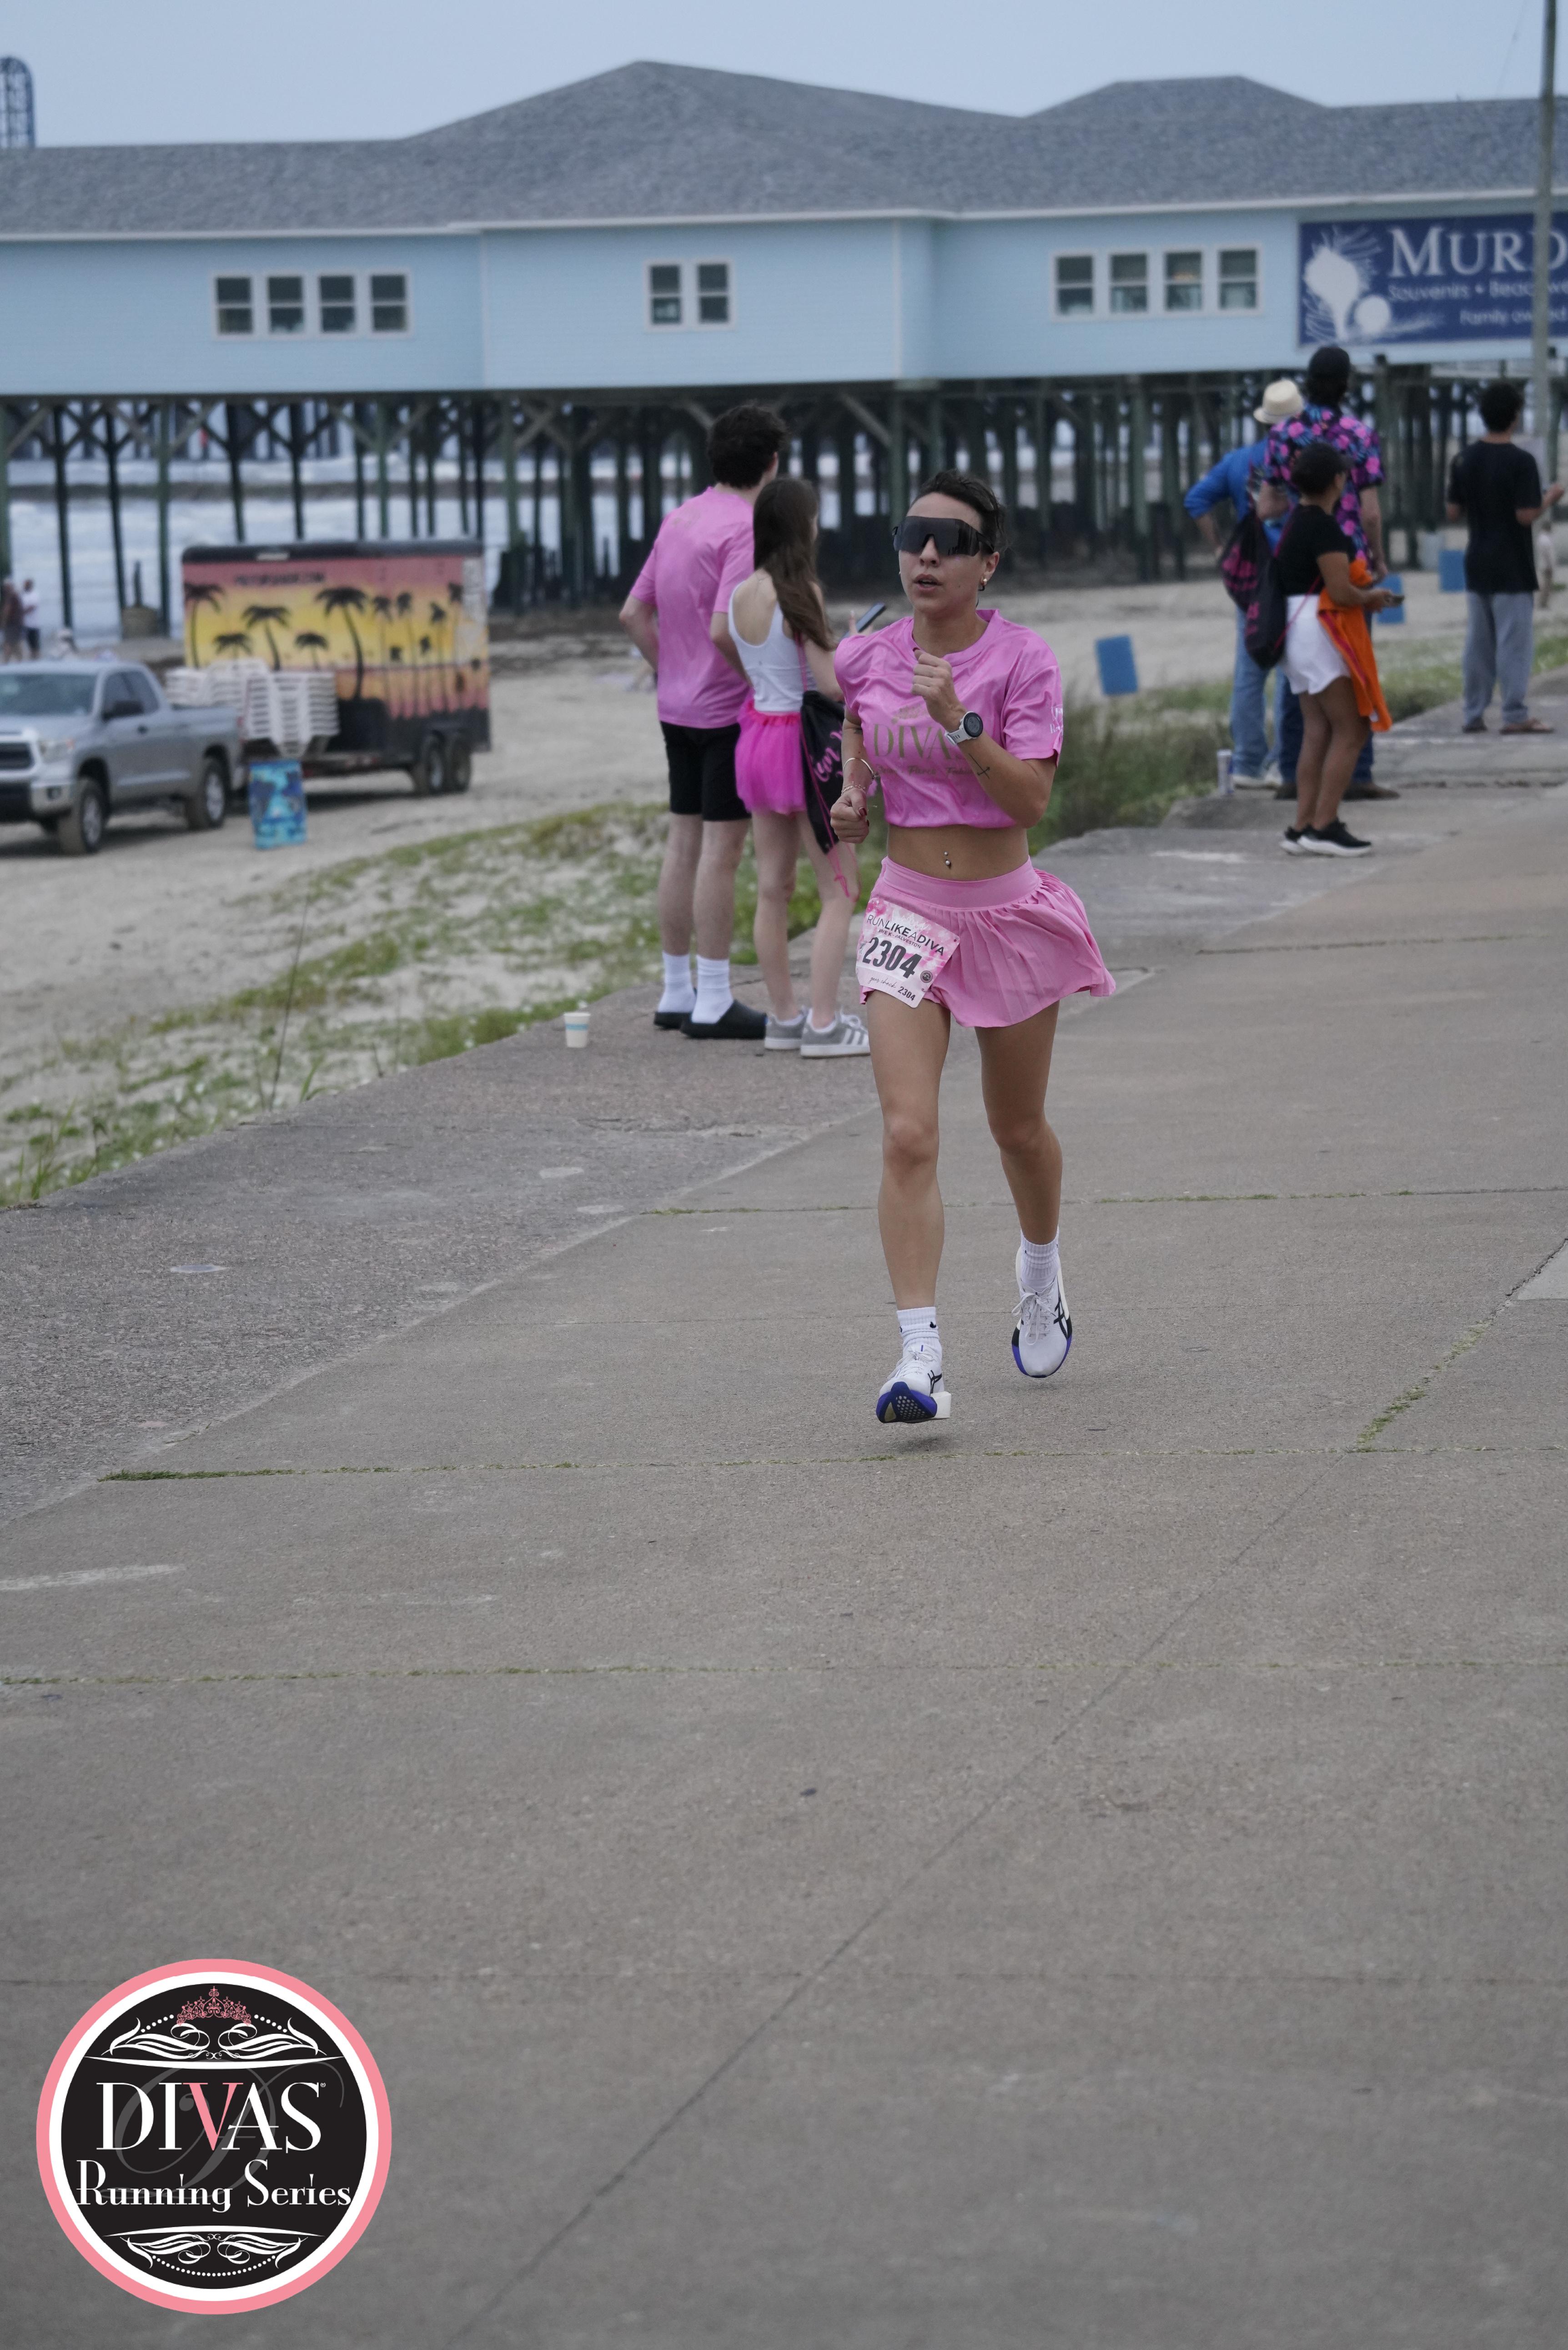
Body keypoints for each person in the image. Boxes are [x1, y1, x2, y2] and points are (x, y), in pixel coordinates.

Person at [829, 471, 1113, 1425]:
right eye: (912, 535)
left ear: (986, 563)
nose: (926, 555)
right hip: (906, 911)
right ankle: (918, 1355)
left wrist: (958, 719)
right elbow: (856, 722)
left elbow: (1030, 799)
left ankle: (1039, 1271)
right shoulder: (867, 655)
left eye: (950, 541)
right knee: (907, 1131)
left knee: (1015, 1129)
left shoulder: (1021, 660)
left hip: (1005, 912)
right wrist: (854, 795)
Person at [621, 402, 790, 1040]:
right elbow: (726, 628)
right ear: (772, 463)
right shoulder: (747, 528)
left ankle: (676, 990)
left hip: (676, 708)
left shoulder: (680, 518)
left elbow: (632, 615)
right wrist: (763, 683)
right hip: (725, 712)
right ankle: (715, 998)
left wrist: (671, 671)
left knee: (683, 842)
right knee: (724, 851)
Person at [722, 476, 869, 1057]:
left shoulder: (741, 594)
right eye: (813, 518)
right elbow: (830, 683)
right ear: (800, 527)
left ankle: (784, 1017)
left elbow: (737, 650)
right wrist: (852, 645)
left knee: (772, 888)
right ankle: (825, 1023)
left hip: (757, 735)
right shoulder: (798, 589)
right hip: (803, 747)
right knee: (840, 888)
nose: (817, 527)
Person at [1261, 344, 1396, 803]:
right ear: (1347, 384)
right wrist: (1378, 559)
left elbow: (1270, 503)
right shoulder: (1360, 434)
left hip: (1298, 564)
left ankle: (1290, 774)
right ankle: (1357, 774)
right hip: (1346, 561)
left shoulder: (1282, 434)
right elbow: (1370, 512)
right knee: (1354, 667)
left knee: (1298, 675)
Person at [1276, 442, 1400, 859]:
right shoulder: (1324, 528)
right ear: (1336, 481)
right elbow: (1342, 592)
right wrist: (1373, 597)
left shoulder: (1295, 522)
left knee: (1318, 728)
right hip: (1320, 630)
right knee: (1353, 728)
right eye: (1343, 473)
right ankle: (1324, 826)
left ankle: (1301, 826)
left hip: (1294, 630)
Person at [1184, 378, 1302, 780]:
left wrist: (1220, 548)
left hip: (1252, 580)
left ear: (1264, 422)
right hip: (1294, 573)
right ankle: (1282, 762)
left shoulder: (1239, 461)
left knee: (1250, 673)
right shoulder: (1303, 462)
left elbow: (1196, 500)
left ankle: (1248, 762)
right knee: (1291, 671)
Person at [1446, 378, 1563, 734]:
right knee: (1514, 643)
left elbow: (1453, 512)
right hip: (1512, 563)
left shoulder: (1463, 459)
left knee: (1478, 645)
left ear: (1483, 415)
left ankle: (1473, 713)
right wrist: (1551, 498)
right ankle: (1514, 713)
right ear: (1515, 416)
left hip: (1477, 560)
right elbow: (1525, 515)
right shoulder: (1521, 461)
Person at [0, 578, 22, 662]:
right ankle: (19, 661)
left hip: (11, 625)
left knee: (9, 644)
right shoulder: (14, 597)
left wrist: (3, 623)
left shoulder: (11, 597)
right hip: (14, 625)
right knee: (14, 644)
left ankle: (7, 661)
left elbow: (7, 611)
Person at [21, 579, 40, 658]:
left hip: (34, 624)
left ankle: (36, 657)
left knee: (35, 643)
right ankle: (32, 657)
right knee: (28, 643)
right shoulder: (23, 595)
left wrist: (22, 613)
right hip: (25, 624)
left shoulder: (34, 595)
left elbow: (33, 607)